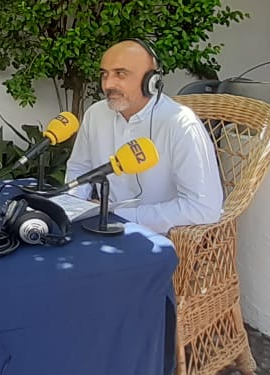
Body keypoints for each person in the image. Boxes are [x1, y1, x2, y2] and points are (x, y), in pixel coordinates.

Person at [65, 39, 223, 234]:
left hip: (160, 238)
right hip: (102, 228)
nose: (108, 84)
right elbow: (80, 168)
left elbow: (204, 208)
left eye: (120, 74)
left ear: (152, 81)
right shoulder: (96, 114)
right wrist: (73, 208)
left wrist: (122, 215)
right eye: (104, 74)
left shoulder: (181, 124)